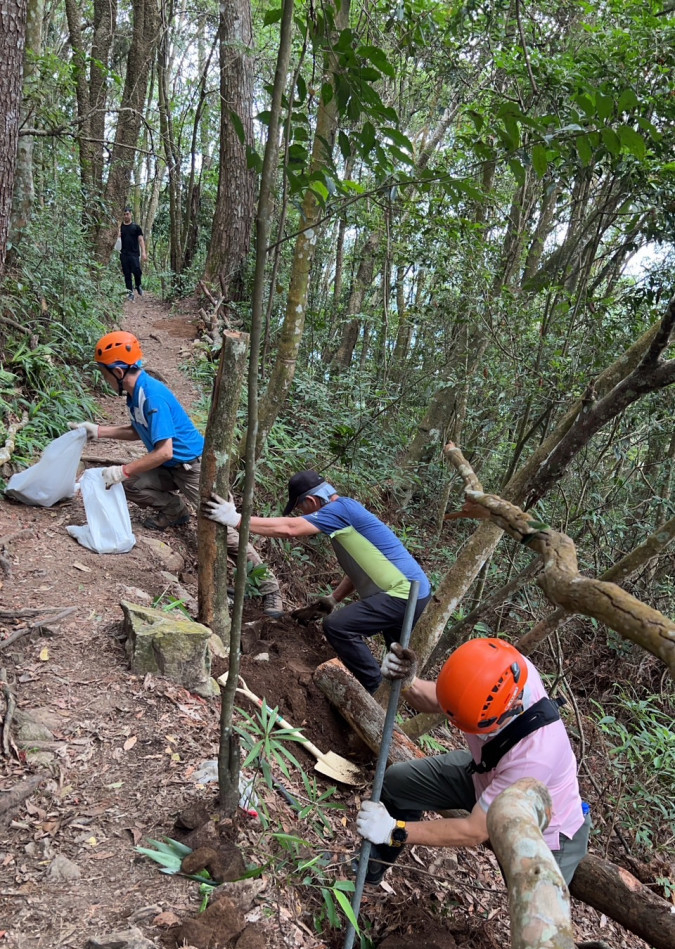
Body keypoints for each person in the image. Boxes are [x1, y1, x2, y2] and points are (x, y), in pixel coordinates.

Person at [72, 331, 284, 615]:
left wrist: (122, 469)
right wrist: (98, 431)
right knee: (131, 485)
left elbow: (164, 451)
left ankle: (270, 589)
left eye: (105, 374)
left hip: (195, 468)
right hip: (170, 468)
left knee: (225, 528)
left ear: (119, 371)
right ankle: (175, 511)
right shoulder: (135, 395)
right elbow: (139, 430)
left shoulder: (152, 395)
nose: (105, 380)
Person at [355, 636, 591, 885]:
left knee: (536, 911)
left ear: (513, 707)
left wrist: (394, 830)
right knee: (399, 782)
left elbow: (474, 831)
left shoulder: (535, 756)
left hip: (541, 825)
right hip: (487, 776)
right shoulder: (500, 667)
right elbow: (440, 701)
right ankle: (372, 866)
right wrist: (408, 682)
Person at [203, 468, 431, 691]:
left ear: (312, 501)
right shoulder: (345, 516)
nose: (302, 515)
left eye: (301, 508)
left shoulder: (338, 511)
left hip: (402, 593)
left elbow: (290, 528)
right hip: (413, 594)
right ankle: (384, 702)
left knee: (338, 627)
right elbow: (360, 569)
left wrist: (236, 519)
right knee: (397, 662)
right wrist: (333, 599)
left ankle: (371, 686)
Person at [119, 207, 147, 300]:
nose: (126, 216)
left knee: (137, 270)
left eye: (127, 214)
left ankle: (138, 285)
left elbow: (141, 240)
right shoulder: (120, 227)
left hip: (134, 253)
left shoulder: (136, 227)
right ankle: (130, 292)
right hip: (124, 253)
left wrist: (143, 252)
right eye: (124, 214)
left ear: (131, 214)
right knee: (127, 273)